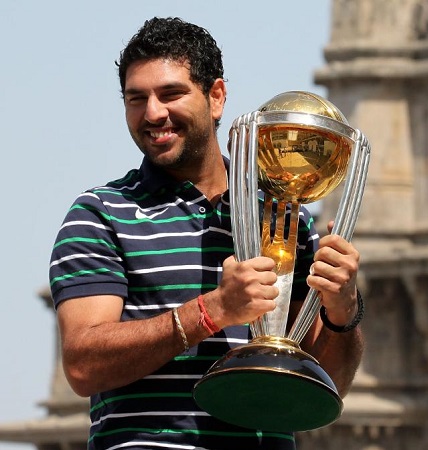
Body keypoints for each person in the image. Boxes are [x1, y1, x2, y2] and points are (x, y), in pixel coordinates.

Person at [49, 17, 364, 450]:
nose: (153, 113)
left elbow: (330, 383)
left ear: (216, 97)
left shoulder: (287, 220)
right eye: (136, 98)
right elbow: (83, 364)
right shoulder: (100, 214)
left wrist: (342, 308)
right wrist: (212, 310)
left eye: (171, 94)